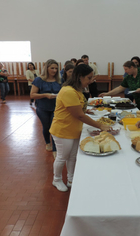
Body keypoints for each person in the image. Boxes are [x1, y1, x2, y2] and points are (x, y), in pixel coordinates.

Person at [49, 64, 111, 192]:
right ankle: (56, 179)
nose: (91, 80)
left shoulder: (77, 90)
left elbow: (79, 109)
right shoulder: (68, 91)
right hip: (63, 130)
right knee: (62, 156)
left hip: (74, 129)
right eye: (89, 78)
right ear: (79, 77)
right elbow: (78, 115)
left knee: (72, 156)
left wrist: (87, 112)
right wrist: (100, 125)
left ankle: (71, 179)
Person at [30, 59, 61, 159]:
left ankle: (55, 149)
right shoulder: (39, 80)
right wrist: (45, 95)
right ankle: (47, 142)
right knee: (46, 126)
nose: (54, 70)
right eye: (52, 68)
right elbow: (32, 94)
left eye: (56, 68)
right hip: (42, 107)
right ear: (46, 68)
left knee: (54, 127)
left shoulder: (60, 80)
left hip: (56, 108)